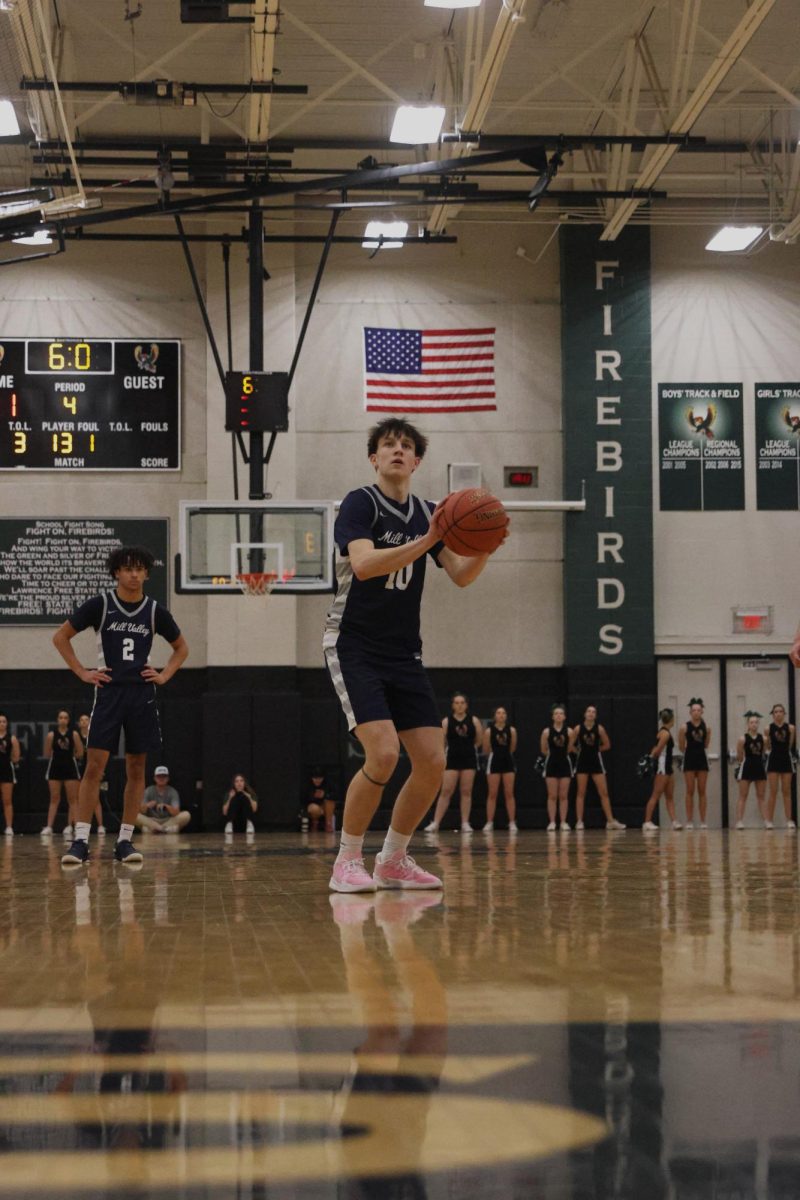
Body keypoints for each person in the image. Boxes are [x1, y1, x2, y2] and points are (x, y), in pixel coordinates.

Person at [323, 417, 501, 893]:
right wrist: (427, 540)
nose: (397, 450)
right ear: (374, 458)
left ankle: (394, 858)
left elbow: (461, 575)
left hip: (403, 652)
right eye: (388, 445)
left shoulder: (430, 511)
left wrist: (486, 544)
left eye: (406, 446)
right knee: (382, 754)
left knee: (432, 761)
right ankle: (346, 860)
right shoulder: (361, 503)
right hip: (354, 644)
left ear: (417, 461)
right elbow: (362, 565)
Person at [53, 545, 188, 867]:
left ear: (146, 573)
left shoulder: (155, 611)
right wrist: (82, 671)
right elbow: (61, 637)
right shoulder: (101, 605)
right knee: (94, 767)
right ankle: (81, 841)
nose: (134, 574)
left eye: (139, 569)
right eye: (127, 569)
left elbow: (181, 648)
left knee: (137, 768)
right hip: (109, 693)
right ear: (116, 572)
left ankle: (125, 841)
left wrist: (165, 674)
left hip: (141, 696)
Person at [425, 692, 482, 833]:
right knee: (446, 791)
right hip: (452, 759)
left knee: (466, 791)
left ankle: (465, 823)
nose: (460, 705)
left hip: (469, 759)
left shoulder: (474, 721)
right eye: (457, 703)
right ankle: (436, 823)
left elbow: (479, 740)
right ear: (452, 705)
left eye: (462, 702)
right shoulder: (446, 721)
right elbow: (442, 742)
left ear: (466, 705)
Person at [570, 705, 625, 830]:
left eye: (593, 712)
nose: (591, 713)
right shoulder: (578, 729)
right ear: (584, 714)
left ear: (596, 715)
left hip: (596, 762)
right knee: (580, 793)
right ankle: (579, 821)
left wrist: (596, 750)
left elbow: (607, 745)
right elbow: (570, 745)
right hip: (582, 763)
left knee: (604, 793)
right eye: (588, 711)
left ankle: (610, 821)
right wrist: (577, 751)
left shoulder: (599, 729)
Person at [41, 709, 83, 838]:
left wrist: (69, 758)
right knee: (54, 798)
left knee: (73, 800)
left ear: (68, 720)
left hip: (70, 768)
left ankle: (77, 828)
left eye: (65, 717)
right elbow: (47, 753)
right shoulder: (51, 735)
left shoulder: (74, 734)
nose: (63, 720)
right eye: (61, 717)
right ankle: (49, 827)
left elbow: (80, 752)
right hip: (55, 769)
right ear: (57, 720)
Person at [482, 705, 518, 832]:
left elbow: (512, 748)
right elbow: (486, 749)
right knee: (492, 794)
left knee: (509, 793)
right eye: (498, 713)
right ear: (494, 716)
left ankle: (512, 822)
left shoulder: (512, 731)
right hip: (494, 762)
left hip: (508, 762)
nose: (501, 715)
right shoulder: (489, 731)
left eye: (503, 713)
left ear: (506, 716)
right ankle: (489, 822)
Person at [642, 709, 678, 831]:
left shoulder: (663, 732)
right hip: (662, 767)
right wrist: (650, 760)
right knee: (655, 795)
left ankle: (674, 821)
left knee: (669, 796)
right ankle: (647, 821)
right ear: (672, 719)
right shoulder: (665, 734)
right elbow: (657, 750)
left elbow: (655, 748)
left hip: (668, 768)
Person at [679, 698, 711, 830]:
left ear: (702, 711)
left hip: (702, 760)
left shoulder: (707, 727)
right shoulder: (684, 727)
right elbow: (681, 746)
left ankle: (703, 821)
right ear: (690, 712)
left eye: (698, 710)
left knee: (702, 791)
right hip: (689, 759)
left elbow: (706, 744)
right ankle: (689, 821)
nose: (696, 712)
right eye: (694, 710)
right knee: (690, 790)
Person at [541, 703, 572, 832]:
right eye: (556, 714)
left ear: (564, 717)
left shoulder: (569, 731)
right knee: (552, 795)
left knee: (563, 795)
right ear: (553, 717)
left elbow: (570, 749)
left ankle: (564, 822)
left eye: (561, 713)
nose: (558, 716)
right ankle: (552, 822)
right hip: (551, 764)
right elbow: (543, 750)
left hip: (565, 764)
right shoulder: (546, 732)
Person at [734, 711, 768, 829]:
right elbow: (739, 755)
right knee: (743, 795)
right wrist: (740, 767)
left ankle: (766, 821)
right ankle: (739, 821)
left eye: (756, 722)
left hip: (759, 767)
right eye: (751, 722)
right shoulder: (742, 739)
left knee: (761, 796)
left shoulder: (764, 738)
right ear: (748, 724)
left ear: (758, 724)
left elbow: (763, 753)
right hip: (747, 766)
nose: (754, 724)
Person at [765, 703, 796, 829]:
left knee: (786, 790)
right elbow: (768, 746)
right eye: (775, 711)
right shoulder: (768, 728)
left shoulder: (791, 728)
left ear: (784, 713)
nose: (778, 713)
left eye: (780, 711)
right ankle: (769, 821)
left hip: (786, 760)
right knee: (773, 791)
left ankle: (789, 820)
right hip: (773, 760)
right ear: (773, 714)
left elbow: (790, 744)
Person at [137, 766, 190, 834]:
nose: (161, 779)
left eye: (164, 776)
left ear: (167, 778)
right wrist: (147, 805)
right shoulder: (148, 790)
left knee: (186, 815)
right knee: (135, 815)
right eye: (159, 776)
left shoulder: (172, 791)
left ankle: (158, 829)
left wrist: (166, 806)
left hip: (168, 820)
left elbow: (176, 812)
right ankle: (163, 829)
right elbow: (142, 811)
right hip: (152, 820)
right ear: (155, 778)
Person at [77, 712, 106, 836]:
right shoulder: (75, 736)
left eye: (86, 719)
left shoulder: (95, 736)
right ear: (79, 723)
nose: (84, 722)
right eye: (82, 720)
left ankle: (100, 826)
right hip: (79, 770)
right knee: (79, 798)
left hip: (94, 769)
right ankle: (77, 827)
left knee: (96, 799)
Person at [0, 713, 20, 837]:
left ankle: (9, 827)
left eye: (4, 721)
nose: (1, 723)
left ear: (7, 724)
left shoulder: (11, 738)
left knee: (7, 800)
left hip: (6, 771)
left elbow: (16, 757)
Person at [306, 768, 336, 832]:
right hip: (313, 805)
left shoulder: (328, 783)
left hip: (326, 807)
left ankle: (328, 824)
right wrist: (313, 796)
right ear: (312, 778)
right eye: (315, 778)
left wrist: (324, 795)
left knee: (329, 801)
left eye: (320, 778)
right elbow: (304, 798)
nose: (317, 780)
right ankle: (315, 823)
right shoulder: (308, 784)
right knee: (314, 809)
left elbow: (335, 795)